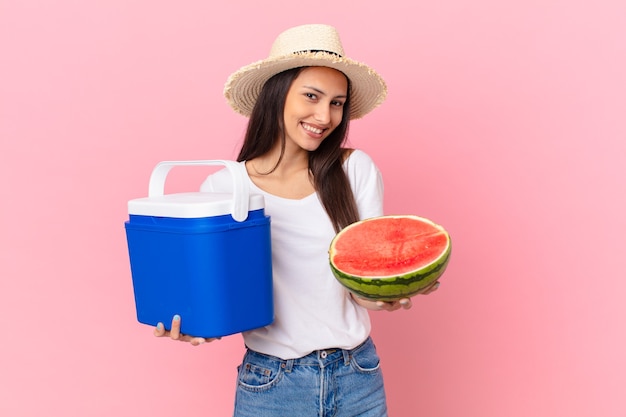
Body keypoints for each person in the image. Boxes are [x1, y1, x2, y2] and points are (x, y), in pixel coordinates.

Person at [153, 23, 440, 417]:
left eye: (337, 103)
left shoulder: (355, 170)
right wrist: (195, 321)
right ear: (277, 95)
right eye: (312, 96)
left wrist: (385, 294)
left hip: (358, 374)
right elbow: (219, 289)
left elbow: (359, 287)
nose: (325, 116)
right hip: (271, 384)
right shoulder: (225, 186)